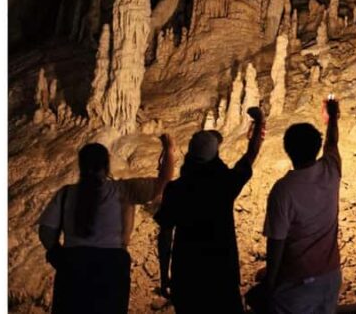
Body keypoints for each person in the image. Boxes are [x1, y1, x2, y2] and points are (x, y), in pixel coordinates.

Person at [38, 137, 176, 314]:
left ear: (81, 166)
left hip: (74, 264)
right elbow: (164, 182)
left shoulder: (66, 194)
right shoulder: (123, 190)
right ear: (106, 166)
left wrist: (58, 254)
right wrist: (169, 150)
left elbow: (46, 231)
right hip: (111, 265)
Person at [155, 107, 265, 314]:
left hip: (187, 275)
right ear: (214, 157)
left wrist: (164, 275)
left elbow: (165, 235)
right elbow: (250, 156)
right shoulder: (224, 184)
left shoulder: (176, 189)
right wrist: (259, 124)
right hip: (221, 274)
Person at [264, 99, 342, 314]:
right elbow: (332, 143)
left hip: (297, 283)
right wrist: (333, 118)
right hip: (330, 275)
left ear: (287, 149)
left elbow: (276, 243)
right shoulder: (331, 171)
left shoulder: (283, 190)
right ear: (317, 148)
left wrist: (270, 282)